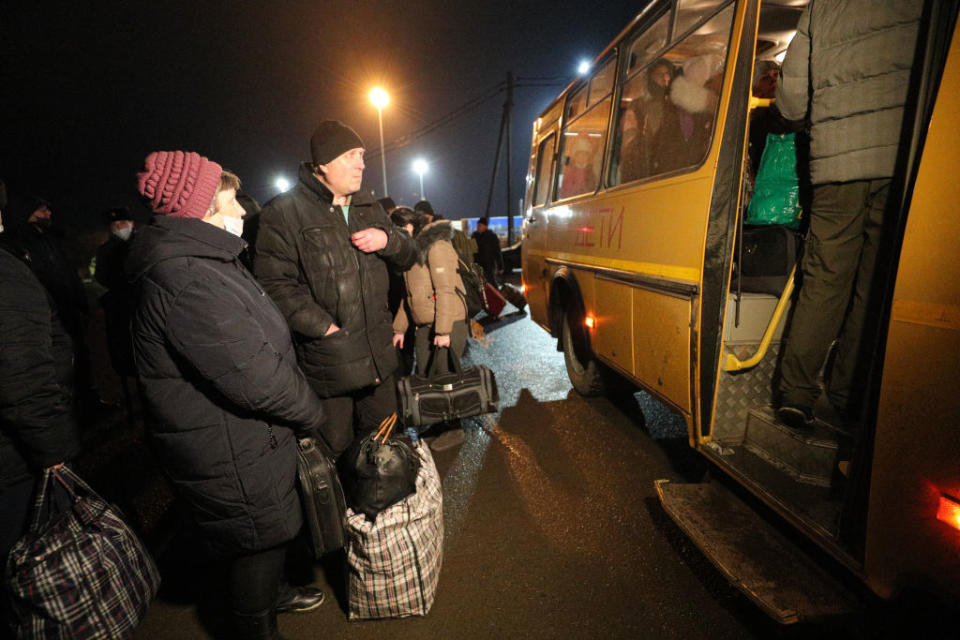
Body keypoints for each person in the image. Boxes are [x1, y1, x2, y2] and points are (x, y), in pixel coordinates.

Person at [127, 151, 331, 639]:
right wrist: (310, 411)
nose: (242, 211)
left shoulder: (206, 261)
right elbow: (255, 378)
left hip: (242, 441)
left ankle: (272, 596)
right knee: (256, 542)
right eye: (229, 201)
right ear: (197, 211)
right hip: (229, 447)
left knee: (264, 536)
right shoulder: (189, 279)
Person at [773, 1, 922, 430]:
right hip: (902, 157)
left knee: (824, 280)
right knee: (875, 284)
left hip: (836, 164)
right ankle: (846, 393)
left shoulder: (824, 7)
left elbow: (793, 97)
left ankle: (797, 393)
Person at [255, 121, 416, 455]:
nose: (361, 164)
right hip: (330, 365)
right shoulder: (284, 212)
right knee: (338, 458)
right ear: (323, 164)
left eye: (362, 155)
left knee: (386, 455)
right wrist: (325, 328)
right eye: (351, 156)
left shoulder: (367, 205)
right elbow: (274, 284)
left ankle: (383, 508)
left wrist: (387, 240)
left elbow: (409, 254)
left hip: (379, 361)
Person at [1, 242, 80, 636]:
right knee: (40, 581)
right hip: (16, 466)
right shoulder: (5, 274)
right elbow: (23, 378)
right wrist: (56, 455)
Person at [10, 197, 105, 418]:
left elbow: (68, 273)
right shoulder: (21, 242)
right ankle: (69, 411)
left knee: (81, 355)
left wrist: (82, 304)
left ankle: (90, 402)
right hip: (48, 314)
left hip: (69, 310)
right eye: (42, 210)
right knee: (60, 364)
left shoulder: (51, 238)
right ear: (29, 211)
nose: (48, 214)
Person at [391, 207, 469, 451]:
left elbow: (446, 290)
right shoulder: (411, 253)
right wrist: (400, 329)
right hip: (425, 324)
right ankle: (438, 422)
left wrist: (444, 331)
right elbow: (410, 296)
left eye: (397, 231)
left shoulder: (436, 247)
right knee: (427, 376)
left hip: (449, 322)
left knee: (444, 378)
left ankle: (454, 429)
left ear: (410, 227)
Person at [95, 207, 137, 378]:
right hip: (119, 305)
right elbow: (100, 276)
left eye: (122, 223)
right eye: (115, 224)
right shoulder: (105, 250)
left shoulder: (142, 243)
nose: (118, 227)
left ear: (131, 224)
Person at [472, 216, 503, 287]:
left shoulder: (491, 236)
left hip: (489, 265)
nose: (478, 227)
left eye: (480, 225)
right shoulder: (475, 236)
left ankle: (496, 296)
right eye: (477, 225)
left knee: (490, 283)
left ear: (485, 226)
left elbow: (497, 252)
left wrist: (500, 266)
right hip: (478, 265)